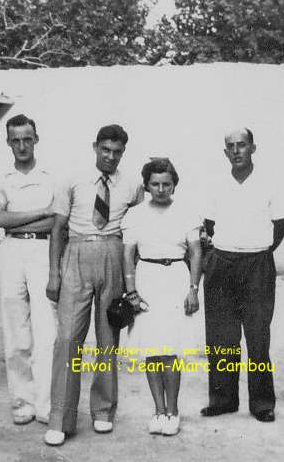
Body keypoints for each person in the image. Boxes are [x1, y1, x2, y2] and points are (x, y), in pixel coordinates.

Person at [43, 124, 144, 446]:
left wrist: (132, 279)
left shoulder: (132, 185)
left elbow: (139, 231)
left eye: (117, 152)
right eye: (105, 150)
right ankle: (60, 417)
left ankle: (103, 411)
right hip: (76, 253)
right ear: (95, 147)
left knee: (107, 339)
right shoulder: (71, 179)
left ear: (123, 153)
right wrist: (54, 274)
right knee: (68, 339)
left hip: (113, 254)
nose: (110, 157)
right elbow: (57, 228)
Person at [201, 128, 284, 423]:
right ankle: (222, 399)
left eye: (242, 145)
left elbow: (281, 226)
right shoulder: (216, 184)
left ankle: (262, 403)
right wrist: (229, 248)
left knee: (258, 336)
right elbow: (209, 225)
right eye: (230, 146)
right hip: (222, 262)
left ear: (253, 147)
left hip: (257, 265)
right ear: (225, 152)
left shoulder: (269, 183)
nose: (236, 150)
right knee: (221, 337)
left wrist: (258, 249)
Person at [121, 158, 203, 436]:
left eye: (166, 184)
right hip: (147, 279)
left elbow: (196, 252)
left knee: (171, 350)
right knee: (151, 350)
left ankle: (173, 410)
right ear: (146, 185)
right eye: (155, 184)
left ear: (174, 184)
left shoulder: (187, 211)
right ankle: (158, 409)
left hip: (176, 279)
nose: (160, 189)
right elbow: (127, 255)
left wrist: (193, 289)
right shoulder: (135, 215)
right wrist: (131, 291)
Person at [0, 114, 58, 425]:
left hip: (43, 250)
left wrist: (22, 216)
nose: (21, 145)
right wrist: (42, 211)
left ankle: (46, 404)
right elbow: (0, 221)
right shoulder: (1, 179)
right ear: (8, 143)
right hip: (11, 250)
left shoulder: (50, 177)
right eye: (15, 140)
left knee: (47, 330)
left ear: (36, 139)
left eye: (27, 138)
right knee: (16, 331)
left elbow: (57, 222)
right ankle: (22, 402)